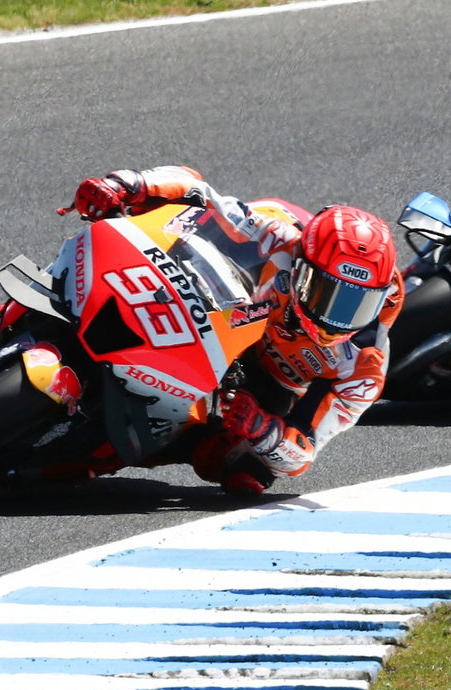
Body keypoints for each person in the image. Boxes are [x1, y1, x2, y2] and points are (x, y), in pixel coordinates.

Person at [62, 167, 404, 494]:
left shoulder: (365, 365)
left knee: (239, 467)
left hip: (265, 389)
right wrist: (128, 185)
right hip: (226, 314)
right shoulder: (278, 235)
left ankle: (107, 449)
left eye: (356, 305)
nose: (336, 317)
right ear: (302, 265)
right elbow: (196, 192)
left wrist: (263, 430)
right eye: (326, 294)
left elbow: (306, 450)